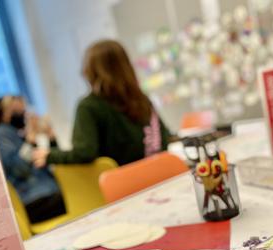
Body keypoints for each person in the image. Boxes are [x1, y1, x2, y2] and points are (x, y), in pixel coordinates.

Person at [31, 39, 171, 168]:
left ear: (90, 71)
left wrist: (51, 156)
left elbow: (84, 152)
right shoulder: (141, 99)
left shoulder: (89, 107)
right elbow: (164, 137)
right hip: (159, 173)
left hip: (125, 185)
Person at [0, 95, 66, 223]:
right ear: (3, 113)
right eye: (17, 111)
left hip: (49, 191)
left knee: (76, 192)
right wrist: (30, 140)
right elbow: (21, 169)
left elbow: (51, 161)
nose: (22, 114)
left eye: (23, 110)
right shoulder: (0, 135)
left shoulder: (19, 133)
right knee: (76, 197)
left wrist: (51, 137)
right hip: (32, 199)